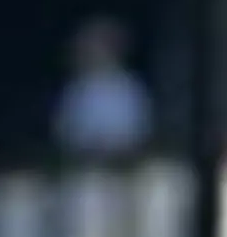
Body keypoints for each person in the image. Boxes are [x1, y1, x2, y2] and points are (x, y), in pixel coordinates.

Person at [51, 15, 154, 161]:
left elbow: (141, 128)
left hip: (126, 164)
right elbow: (64, 131)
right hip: (84, 165)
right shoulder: (75, 89)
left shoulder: (130, 86)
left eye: (100, 45)